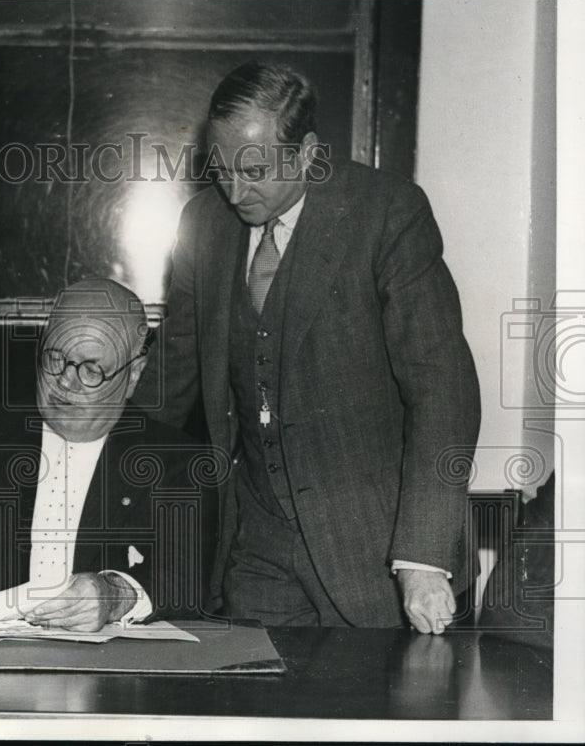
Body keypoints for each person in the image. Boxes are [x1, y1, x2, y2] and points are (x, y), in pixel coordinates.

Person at [132, 60, 481, 633]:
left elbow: (444, 387)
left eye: (254, 170)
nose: (235, 191)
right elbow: (169, 380)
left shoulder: (386, 212)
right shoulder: (203, 224)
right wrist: (89, 484)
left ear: (307, 152)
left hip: (376, 551)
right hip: (255, 548)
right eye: (221, 169)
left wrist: (421, 558)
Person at [0, 279, 218, 630]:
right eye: (55, 358)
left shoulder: (176, 462)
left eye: (91, 370)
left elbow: (185, 585)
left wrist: (114, 595)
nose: (66, 381)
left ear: (133, 376)